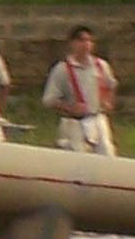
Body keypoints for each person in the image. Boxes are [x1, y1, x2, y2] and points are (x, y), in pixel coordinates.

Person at [43, 26, 121, 156]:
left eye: (89, 41)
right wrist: (69, 107)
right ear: (72, 44)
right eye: (81, 41)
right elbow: (49, 100)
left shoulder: (101, 65)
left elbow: (111, 85)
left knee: (107, 154)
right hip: (74, 123)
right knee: (77, 158)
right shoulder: (62, 69)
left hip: (97, 119)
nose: (86, 45)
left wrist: (108, 101)